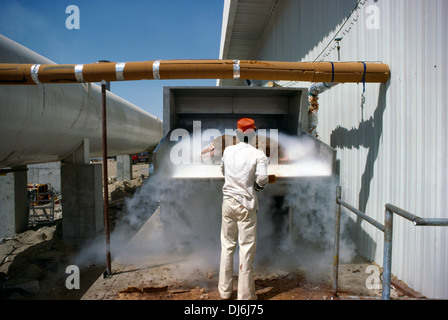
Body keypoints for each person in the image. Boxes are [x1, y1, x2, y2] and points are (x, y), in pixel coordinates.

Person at [218, 117, 269, 300]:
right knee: (246, 249)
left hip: (228, 203)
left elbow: (223, 171)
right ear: (254, 133)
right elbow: (262, 179)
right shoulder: (258, 154)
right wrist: (257, 186)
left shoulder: (227, 151)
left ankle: (224, 292)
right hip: (246, 205)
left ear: (238, 133)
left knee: (227, 246)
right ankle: (245, 296)